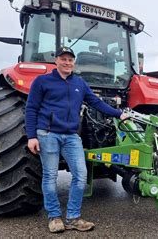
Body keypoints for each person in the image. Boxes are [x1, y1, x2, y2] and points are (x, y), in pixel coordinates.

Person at [25, 47, 127, 233]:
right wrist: (31, 136)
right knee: (50, 176)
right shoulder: (42, 81)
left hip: (71, 136)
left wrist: (119, 114)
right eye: (63, 59)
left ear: (74, 63)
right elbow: (31, 108)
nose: (67, 63)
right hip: (47, 134)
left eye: (70, 60)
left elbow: (96, 102)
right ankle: (54, 217)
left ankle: (73, 217)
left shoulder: (79, 83)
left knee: (80, 175)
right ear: (56, 61)